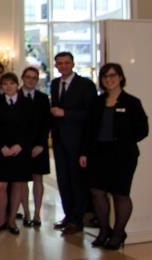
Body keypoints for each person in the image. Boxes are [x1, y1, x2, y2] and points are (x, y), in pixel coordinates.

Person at [80, 63, 148, 249]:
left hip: (123, 156)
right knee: (97, 192)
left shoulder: (132, 103)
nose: (109, 79)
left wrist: (123, 141)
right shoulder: (96, 102)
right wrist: (84, 152)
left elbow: (143, 130)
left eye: (112, 76)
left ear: (120, 77)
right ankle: (104, 230)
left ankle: (118, 233)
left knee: (120, 194)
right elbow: (88, 130)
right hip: (98, 154)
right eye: (105, 77)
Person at [49, 52, 97, 235]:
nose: (63, 66)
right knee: (63, 181)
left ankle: (78, 219)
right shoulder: (54, 84)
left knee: (77, 181)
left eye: (66, 63)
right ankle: (68, 216)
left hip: (78, 142)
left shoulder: (85, 85)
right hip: (60, 141)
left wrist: (66, 113)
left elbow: (90, 115)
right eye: (59, 63)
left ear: (73, 64)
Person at [0, 73, 36, 235]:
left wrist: (20, 145)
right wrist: (1, 146)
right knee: (0, 185)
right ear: (1, 87)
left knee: (17, 184)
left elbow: (31, 128)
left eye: (11, 83)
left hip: (19, 151)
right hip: (0, 150)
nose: (8, 87)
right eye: (5, 84)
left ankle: (12, 220)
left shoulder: (27, 104)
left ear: (17, 85)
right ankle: (1, 219)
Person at [19, 67, 52, 227]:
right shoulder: (15, 95)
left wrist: (40, 144)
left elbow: (46, 123)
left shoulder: (43, 98)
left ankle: (37, 213)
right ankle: (26, 212)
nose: (31, 80)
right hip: (21, 146)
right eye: (28, 77)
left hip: (39, 145)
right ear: (22, 78)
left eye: (34, 78)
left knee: (38, 178)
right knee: (22, 180)